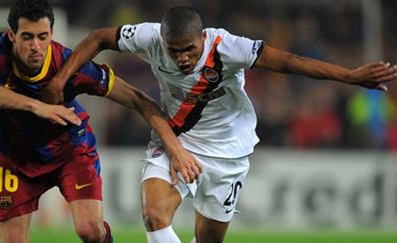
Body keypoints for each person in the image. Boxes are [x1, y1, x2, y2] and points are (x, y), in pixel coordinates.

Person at [41, 6, 397, 243]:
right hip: (175, 137)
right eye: (174, 50)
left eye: (190, 50)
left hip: (228, 151)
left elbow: (290, 61)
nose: (182, 58)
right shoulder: (148, 37)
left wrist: (350, 76)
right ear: (162, 40)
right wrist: (61, 80)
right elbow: (99, 38)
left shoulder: (228, 47)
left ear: (202, 39)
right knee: (153, 215)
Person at [0, 1, 202, 243]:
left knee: (91, 230)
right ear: (11, 35)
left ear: (52, 35)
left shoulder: (69, 66)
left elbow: (138, 99)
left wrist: (175, 149)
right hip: (13, 158)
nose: (35, 46)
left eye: (42, 36)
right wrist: (38, 106)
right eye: (27, 37)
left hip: (69, 152)